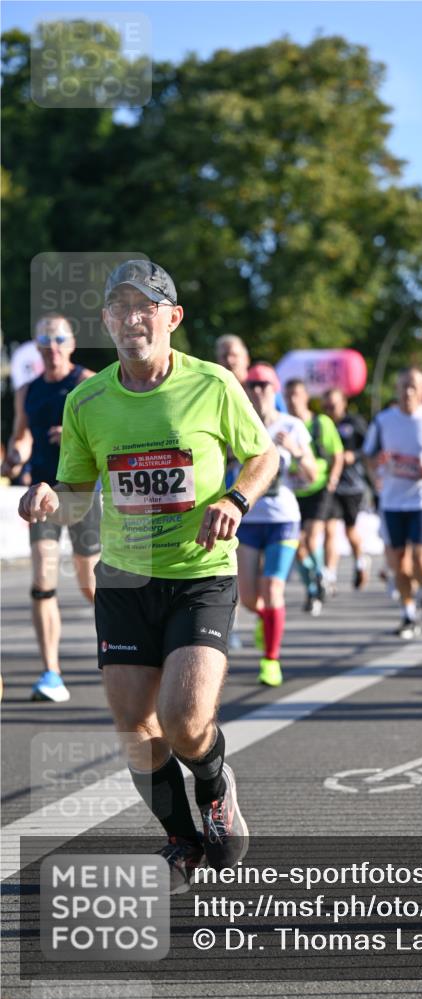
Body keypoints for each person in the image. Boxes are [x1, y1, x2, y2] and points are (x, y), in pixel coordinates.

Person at [18, 260, 278, 891]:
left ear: (171, 317)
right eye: (119, 309)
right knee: (136, 729)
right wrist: (52, 497)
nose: (132, 319)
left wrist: (234, 501)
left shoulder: (213, 385)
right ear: (106, 321)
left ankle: (215, 787)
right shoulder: (89, 399)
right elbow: (80, 492)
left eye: (145, 306)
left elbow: (263, 455)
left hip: (199, 574)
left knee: (185, 718)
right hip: (126, 582)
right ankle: (181, 838)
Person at [2, 314, 100, 702]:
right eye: (46, 341)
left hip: (79, 493)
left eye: (60, 339)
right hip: (41, 494)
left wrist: (73, 437)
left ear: (71, 343)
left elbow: (103, 441)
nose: (53, 346)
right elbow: (21, 436)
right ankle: (51, 673)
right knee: (42, 582)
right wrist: (14, 455)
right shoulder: (27, 389)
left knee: (90, 586)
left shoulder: (88, 383)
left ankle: (126, 647)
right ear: (38, 347)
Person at [363, 367, 422, 639]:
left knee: (420, 556)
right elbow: (369, 455)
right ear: (396, 389)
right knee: (398, 563)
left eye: (413, 387)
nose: (407, 392)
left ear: (421, 390)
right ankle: (408, 614)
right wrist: (376, 474)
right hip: (392, 500)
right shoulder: (383, 421)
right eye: (403, 386)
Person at [237, 363, 317, 685]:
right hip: (247, 519)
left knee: (274, 589)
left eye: (265, 385)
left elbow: (312, 474)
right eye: (252, 385)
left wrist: (296, 451)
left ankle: (271, 660)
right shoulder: (237, 425)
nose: (258, 391)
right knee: (248, 599)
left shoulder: (292, 425)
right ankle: (266, 620)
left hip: (283, 518)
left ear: (276, 389)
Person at [285, 379, 344, 615]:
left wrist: (333, 478)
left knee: (311, 538)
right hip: (292, 491)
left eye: (296, 394)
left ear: (306, 397)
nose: (292, 400)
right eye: (288, 395)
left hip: (318, 487)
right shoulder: (283, 425)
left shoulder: (321, 423)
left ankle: (321, 576)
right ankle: (314, 584)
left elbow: (336, 453)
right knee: (297, 546)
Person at [321, 388, 370, 591]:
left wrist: (354, 456)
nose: (330, 409)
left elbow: (369, 448)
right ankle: (329, 576)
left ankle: (360, 560)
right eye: (327, 405)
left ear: (344, 403)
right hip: (330, 484)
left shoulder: (354, 423)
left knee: (350, 531)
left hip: (352, 485)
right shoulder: (322, 424)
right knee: (330, 530)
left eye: (333, 404)